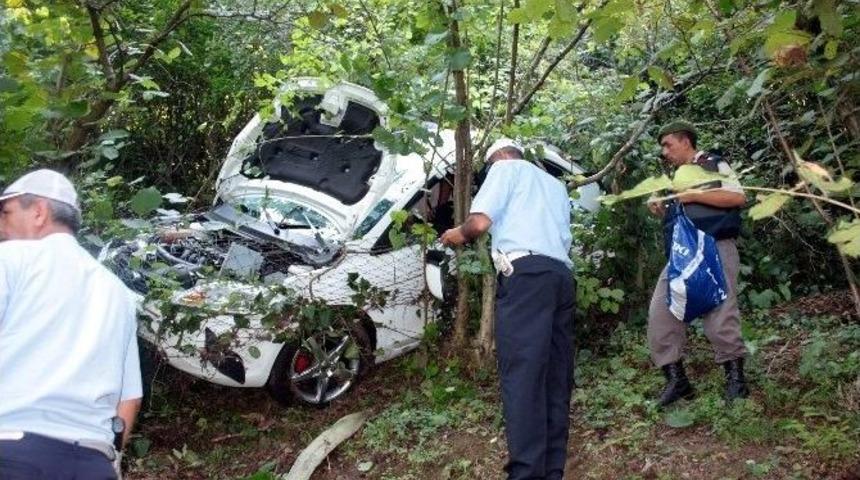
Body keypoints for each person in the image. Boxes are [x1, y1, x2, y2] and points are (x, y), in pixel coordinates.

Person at [441, 139, 575, 480]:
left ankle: (527, 474)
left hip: (526, 279)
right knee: (555, 378)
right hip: (560, 277)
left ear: (497, 158)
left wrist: (455, 234)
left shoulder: (504, 169)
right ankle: (552, 471)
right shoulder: (554, 185)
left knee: (524, 378)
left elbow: (479, 224)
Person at [0, 169, 142, 479]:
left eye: (6, 212)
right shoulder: (117, 291)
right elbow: (129, 397)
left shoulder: (10, 259)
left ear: (39, 212)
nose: (2, 225)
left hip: (12, 452)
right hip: (93, 463)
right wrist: (111, 460)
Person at [646, 121, 750, 406]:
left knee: (720, 311)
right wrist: (660, 202)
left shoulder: (713, 163)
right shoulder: (675, 177)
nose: (664, 151)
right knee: (662, 311)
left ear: (685, 141)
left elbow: (738, 196)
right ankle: (677, 381)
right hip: (682, 252)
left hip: (714, 245)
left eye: (668, 144)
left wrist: (692, 195)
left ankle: (736, 381)